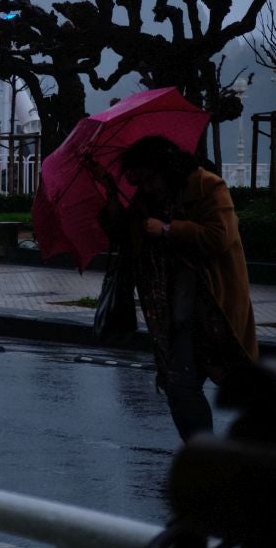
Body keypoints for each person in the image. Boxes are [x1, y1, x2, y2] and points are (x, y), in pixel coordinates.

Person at [99, 136, 260, 441]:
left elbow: (219, 237)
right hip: (173, 311)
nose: (144, 187)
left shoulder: (207, 187)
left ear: (165, 168)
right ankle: (202, 450)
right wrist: (110, 193)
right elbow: (124, 236)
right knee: (179, 384)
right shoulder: (146, 203)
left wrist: (170, 230)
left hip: (214, 305)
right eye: (137, 181)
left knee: (241, 384)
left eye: (148, 178)